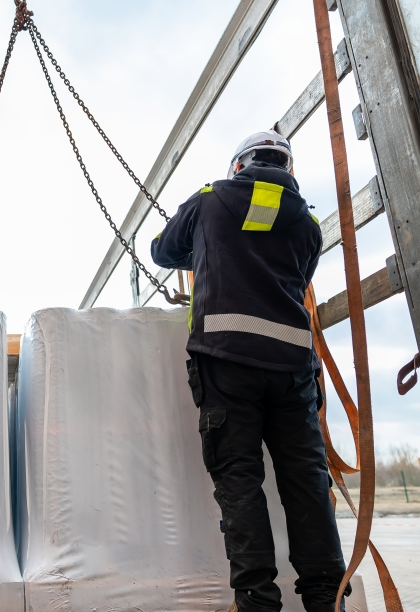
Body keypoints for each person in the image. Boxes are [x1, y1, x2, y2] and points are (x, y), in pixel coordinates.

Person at [150, 130, 349, 612]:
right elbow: (297, 278)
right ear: (289, 170)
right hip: (292, 370)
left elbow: (161, 251)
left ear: (238, 165)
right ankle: (328, 599)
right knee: (306, 482)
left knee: (240, 480)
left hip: (227, 363)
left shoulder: (210, 199)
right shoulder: (308, 223)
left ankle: (258, 602)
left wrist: (206, 247)